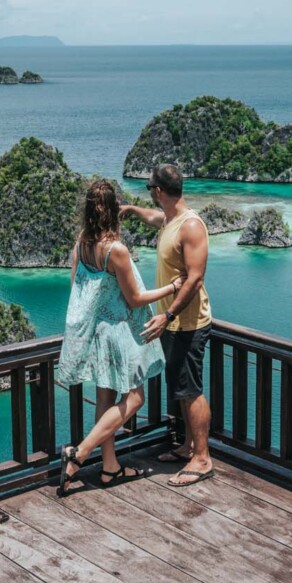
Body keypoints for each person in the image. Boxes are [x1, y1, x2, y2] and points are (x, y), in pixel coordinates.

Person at [56, 179, 183, 496]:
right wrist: (172, 288)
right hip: (119, 335)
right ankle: (80, 453)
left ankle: (110, 468)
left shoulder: (81, 246)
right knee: (136, 399)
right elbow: (137, 298)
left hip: (98, 334)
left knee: (104, 400)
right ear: (113, 211)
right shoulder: (117, 251)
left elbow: (80, 292)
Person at [120, 163, 214, 487]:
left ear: (159, 191)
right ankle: (188, 446)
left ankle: (202, 458)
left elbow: (195, 278)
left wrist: (168, 315)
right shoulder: (170, 220)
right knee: (181, 389)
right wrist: (130, 209)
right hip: (173, 325)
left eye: (150, 191)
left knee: (191, 390)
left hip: (187, 323)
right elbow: (152, 217)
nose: (151, 196)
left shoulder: (190, 226)